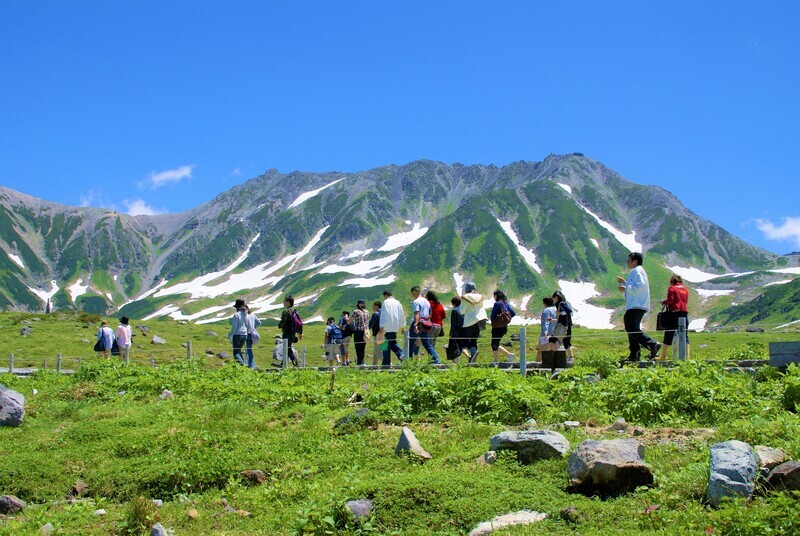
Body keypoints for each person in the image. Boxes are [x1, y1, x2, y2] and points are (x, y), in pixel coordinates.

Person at [617, 252, 661, 362]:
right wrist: (625, 283)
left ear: (635, 261)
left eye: (629, 260)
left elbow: (640, 286)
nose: (627, 262)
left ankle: (652, 344)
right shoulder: (636, 271)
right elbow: (636, 286)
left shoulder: (638, 271)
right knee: (632, 328)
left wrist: (626, 287)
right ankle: (634, 355)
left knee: (630, 327)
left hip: (637, 304)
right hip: (636, 304)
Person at [660, 274, 690, 360]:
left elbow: (670, 301)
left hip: (674, 313)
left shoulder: (672, 288)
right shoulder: (685, 290)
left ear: (672, 281)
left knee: (668, 334)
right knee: (685, 335)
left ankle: (663, 356)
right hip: (684, 313)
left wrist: (663, 302)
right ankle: (687, 357)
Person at [409, 286, 440, 364]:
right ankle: (435, 359)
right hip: (426, 323)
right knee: (426, 343)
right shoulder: (427, 302)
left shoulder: (416, 302)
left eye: (413, 294)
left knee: (410, 341)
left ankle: (408, 360)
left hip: (419, 322)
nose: (413, 295)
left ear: (415, 292)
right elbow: (430, 314)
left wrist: (415, 324)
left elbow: (417, 313)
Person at [460, 281, 488, 363]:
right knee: (473, 340)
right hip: (480, 321)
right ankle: (472, 359)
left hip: (470, 321)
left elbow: (462, 311)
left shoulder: (465, 297)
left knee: (464, 339)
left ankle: (473, 352)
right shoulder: (480, 297)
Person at [378, 289, 406, 366]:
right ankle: (401, 354)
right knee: (393, 342)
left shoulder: (386, 302)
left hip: (386, 327)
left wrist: (381, 326)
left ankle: (386, 364)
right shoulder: (398, 303)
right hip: (394, 327)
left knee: (386, 345)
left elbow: (383, 314)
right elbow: (401, 315)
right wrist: (403, 326)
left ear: (385, 295)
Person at [490, 289, 516, 364]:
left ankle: (496, 361)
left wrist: (495, 320)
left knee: (494, 344)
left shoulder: (497, 304)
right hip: (504, 327)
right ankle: (509, 355)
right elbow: (513, 313)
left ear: (496, 296)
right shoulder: (506, 304)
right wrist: (504, 320)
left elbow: (493, 316)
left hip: (496, 327)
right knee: (496, 343)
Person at [278, 295, 303, 361]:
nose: (283, 303)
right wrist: (300, 332)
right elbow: (299, 322)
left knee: (287, 349)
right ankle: (282, 365)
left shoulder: (286, 312)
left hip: (287, 332)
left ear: (288, 302)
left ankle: (296, 364)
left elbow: (283, 322)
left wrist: (279, 325)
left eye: (284, 301)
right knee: (287, 348)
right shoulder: (295, 311)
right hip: (293, 333)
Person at [551, 290, 574, 362]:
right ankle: (566, 357)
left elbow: (569, 311)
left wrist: (560, 313)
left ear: (556, 297)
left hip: (564, 327)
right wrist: (554, 319)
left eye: (554, 298)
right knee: (562, 341)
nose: (553, 300)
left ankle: (569, 357)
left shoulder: (561, 303)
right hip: (563, 326)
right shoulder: (560, 304)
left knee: (556, 340)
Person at [228, 298, 248, 365]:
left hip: (237, 334)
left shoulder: (236, 315)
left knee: (236, 352)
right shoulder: (245, 314)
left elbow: (234, 327)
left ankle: (242, 365)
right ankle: (242, 364)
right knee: (239, 350)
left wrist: (231, 336)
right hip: (244, 334)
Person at [537, 297, 557, 362]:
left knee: (541, 351)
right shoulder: (556, 309)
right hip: (556, 333)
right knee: (555, 350)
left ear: (545, 303)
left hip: (547, 334)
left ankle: (536, 365)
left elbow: (545, 322)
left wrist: (545, 332)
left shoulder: (546, 310)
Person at [351, 300, 370, 366]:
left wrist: (346, 318)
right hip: (366, 331)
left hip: (358, 331)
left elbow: (350, 320)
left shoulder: (356, 311)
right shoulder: (367, 312)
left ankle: (360, 362)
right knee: (363, 347)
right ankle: (362, 361)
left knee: (358, 346)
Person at [447, 296, 465, 361]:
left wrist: (451, 332)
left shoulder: (454, 311)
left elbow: (453, 323)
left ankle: (455, 362)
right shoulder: (463, 309)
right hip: (463, 329)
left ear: (454, 303)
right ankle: (469, 356)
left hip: (456, 330)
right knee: (460, 346)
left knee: (454, 345)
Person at [368, 300, 382, 365]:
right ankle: (374, 364)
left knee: (377, 350)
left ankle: (387, 363)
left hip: (377, 334)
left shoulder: (375, 314)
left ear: (376, 306)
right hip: (384, 333)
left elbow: (371, 324)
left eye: (373, 305)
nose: (372, 307)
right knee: (377, 350)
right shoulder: (384, 313)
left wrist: (366, 329)